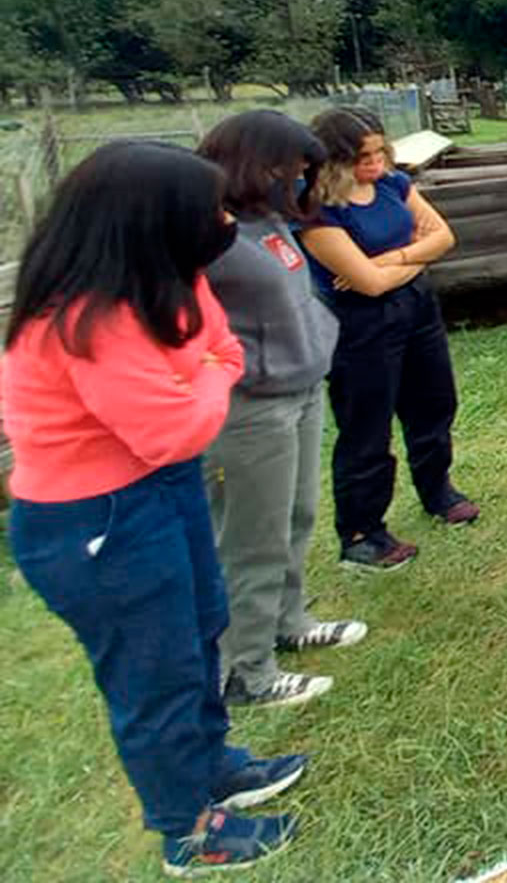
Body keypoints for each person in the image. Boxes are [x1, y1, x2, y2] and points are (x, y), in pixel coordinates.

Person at [2, 142, 304, 875]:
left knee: (201, 627)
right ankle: (189, 828)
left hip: (160, 487)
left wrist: (202, 374)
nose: (223, 220)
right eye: (208, 211)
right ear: (148, 219)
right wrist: (202, 379)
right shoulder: (87, 315)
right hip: (97, 520)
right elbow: (177, 423)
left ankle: (213, 765)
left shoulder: (163, 278)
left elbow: (223, 351)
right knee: (152, 674)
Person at [198, 112, 368, 709]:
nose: (299, 182)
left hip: (300, 389)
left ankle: (288, 622)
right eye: (290, 170)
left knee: (296, 516)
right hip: (250, 409)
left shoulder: (271, 221)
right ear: (253, 164)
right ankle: (248, 669)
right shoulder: (205, 233)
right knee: (251, 538)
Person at [300, 107, 478, 572]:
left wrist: (389, 259)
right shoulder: (317, 210)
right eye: (363, 157)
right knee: (367, 423)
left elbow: (444, 237)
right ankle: (362, 531)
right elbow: (369, 286)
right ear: (333, 160)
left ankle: (437, 489)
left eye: (381, 152)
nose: (376, 163)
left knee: (435, 400)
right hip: (359, 324)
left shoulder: (394, 185)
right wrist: (401, 262)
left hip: (417, 306)